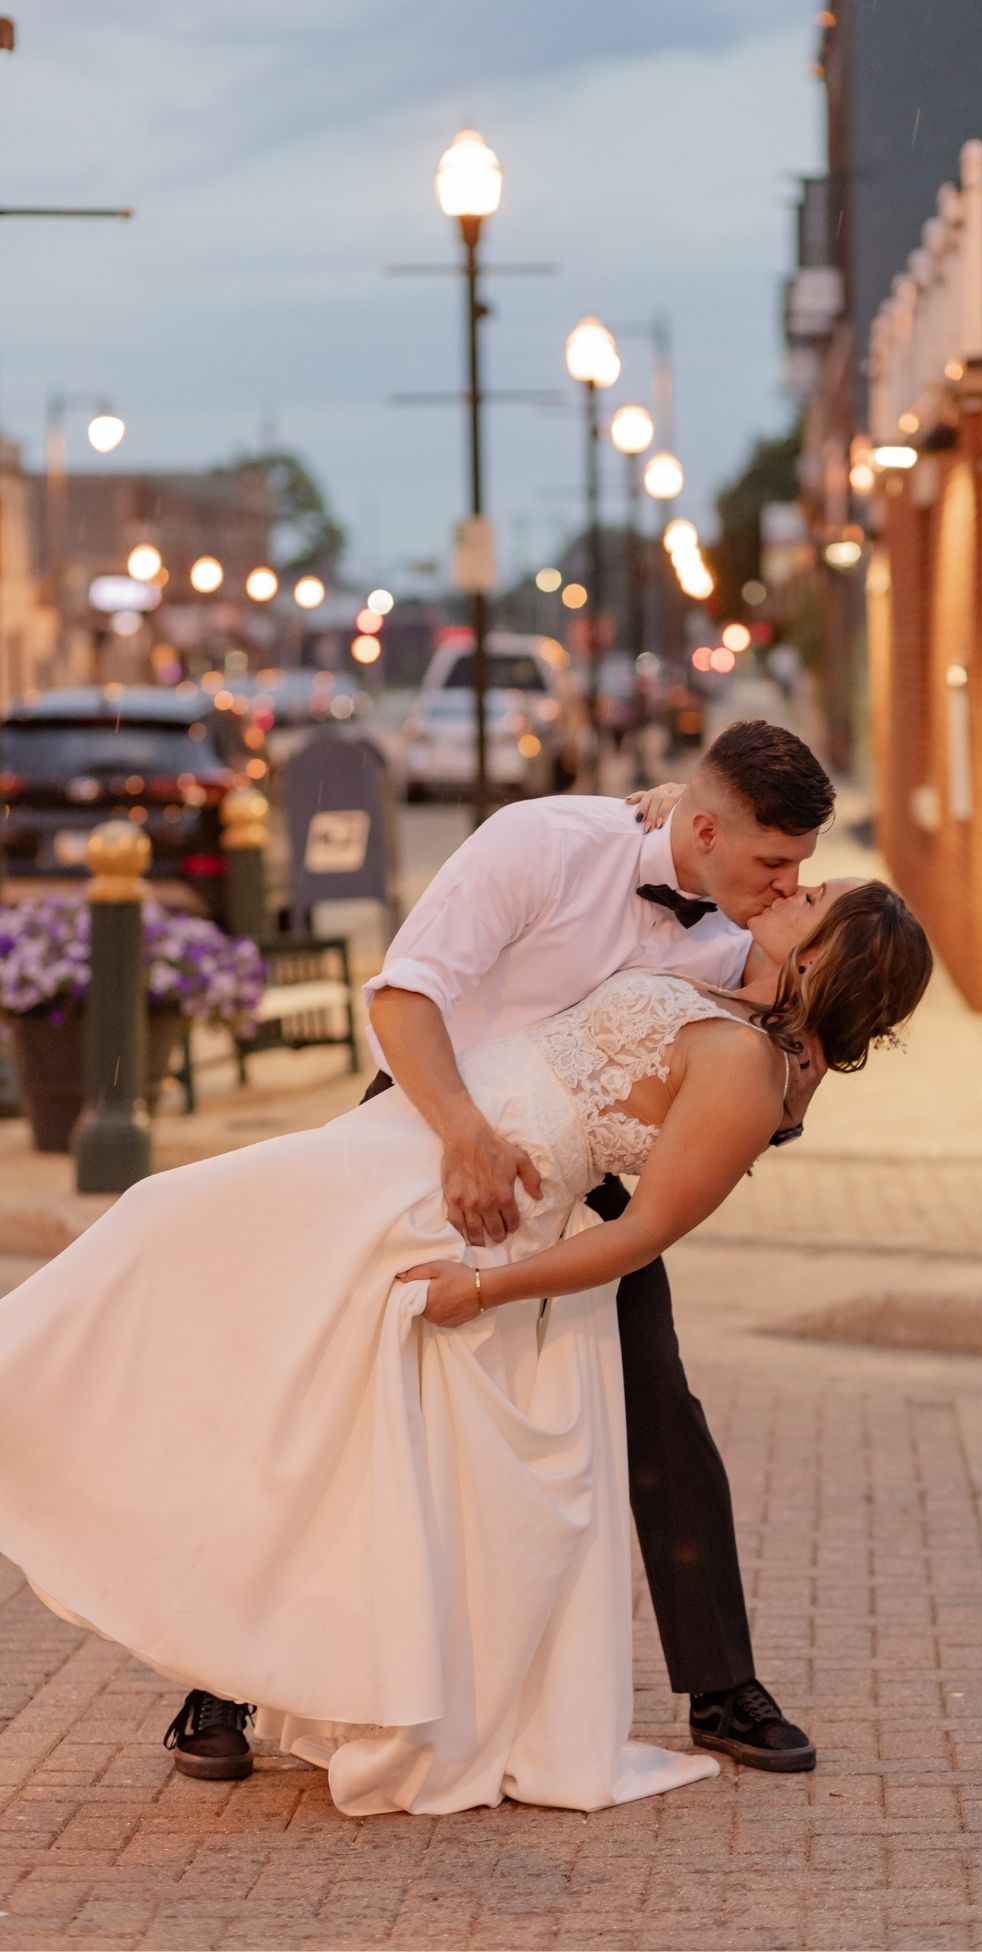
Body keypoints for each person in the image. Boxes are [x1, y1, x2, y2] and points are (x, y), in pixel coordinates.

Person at [0, 723, 933, 1818]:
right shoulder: (542, 843)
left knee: (661, 1414)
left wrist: (804, 1074)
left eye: (799, 873)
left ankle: (722, 1687)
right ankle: (230, 1686)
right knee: (295, 1386)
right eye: (776, 864)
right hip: (427, 1120)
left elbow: (739, 1100)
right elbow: (404, 995)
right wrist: (460, 1137)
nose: (789, 883)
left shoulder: (745, 937)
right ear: (705, 826)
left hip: (570, 1197)